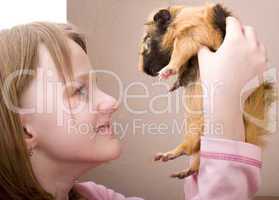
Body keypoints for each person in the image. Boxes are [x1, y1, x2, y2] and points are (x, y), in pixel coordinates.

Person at [0, 16, 267, 200]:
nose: (111, 102)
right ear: (25, 132)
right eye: (78, 90)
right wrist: (225, 99)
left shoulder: (93, 195)